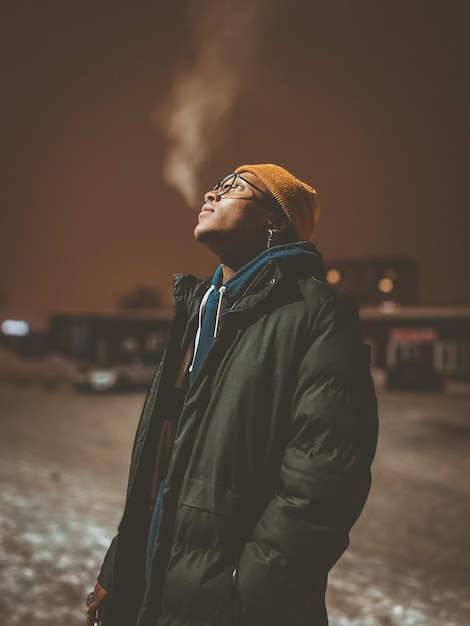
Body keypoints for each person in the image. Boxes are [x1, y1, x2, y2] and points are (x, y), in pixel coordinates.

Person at [86, 164, 378, 626]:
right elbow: (161, 463)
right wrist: (118, 567)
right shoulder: (201, 308)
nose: (211, 192)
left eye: (233, 188)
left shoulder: (318, 313)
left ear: (275, 220)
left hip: (234, 604)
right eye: (216, 185)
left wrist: (250, 592)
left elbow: (325, 477)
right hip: (155, 587)